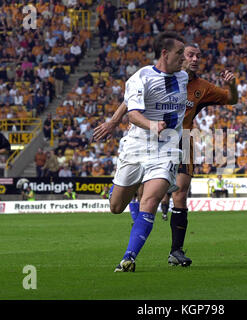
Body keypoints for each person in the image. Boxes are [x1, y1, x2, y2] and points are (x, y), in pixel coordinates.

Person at [93, 43, 237, 268]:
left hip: (180, 142)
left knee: (179, 194)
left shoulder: (201, 86)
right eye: (189, 55)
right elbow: (130, 101)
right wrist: (113, 121)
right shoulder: (155, 76)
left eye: (198, 56)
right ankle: (135, 211)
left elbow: (231, 98)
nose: (194, 59)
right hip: (146, 141)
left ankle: (173, 251)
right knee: (130, 199)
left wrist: (232, 86)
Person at [98, 31, 188, 272]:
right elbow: (132, 110)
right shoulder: (140, 78)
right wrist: (143, 124)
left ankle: (129, 258)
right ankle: (116, 189)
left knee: (150, 200)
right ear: (165, 53)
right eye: (180, 53)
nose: (184, 58)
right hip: (137, 146)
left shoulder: (185, 77)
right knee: (116, 207)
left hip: (167, 149)